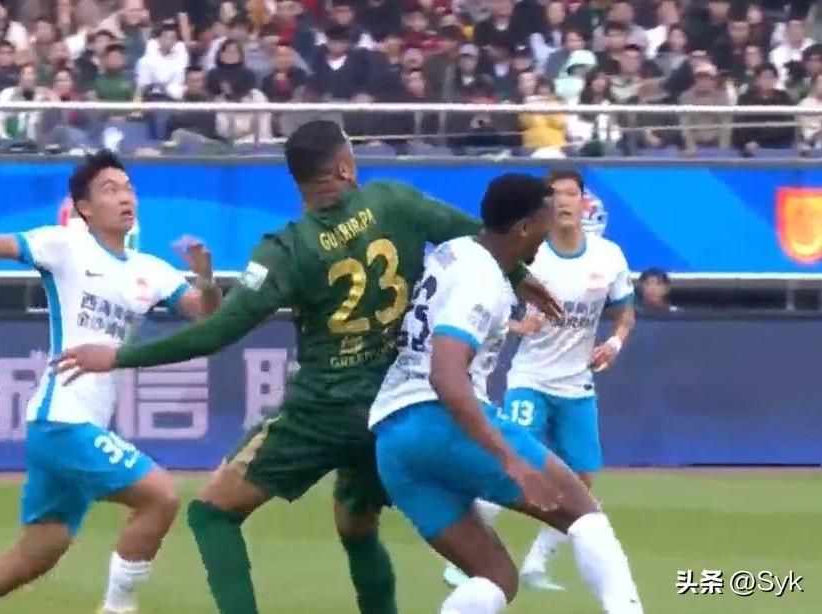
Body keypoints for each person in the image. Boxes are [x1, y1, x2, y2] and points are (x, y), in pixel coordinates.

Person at [52, 120, 563, 614]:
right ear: (343, 168)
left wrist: (117, 356)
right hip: (389, 411)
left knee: (212, 513)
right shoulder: (394, 202)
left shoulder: (287, 248)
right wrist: (519, 274)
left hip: (321, 410)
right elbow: (480, 238)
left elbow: (219, 331)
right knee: (357, 528)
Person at [0, 150, 222, 614]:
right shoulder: (65, 246)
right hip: (63, 421)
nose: (125, 197)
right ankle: (118, 609)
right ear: (84, 208)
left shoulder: (151, 270)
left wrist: (207, 280)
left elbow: (207, 317)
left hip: (75, 425)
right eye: (110, 189)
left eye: (128, 188)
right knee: (160, 497)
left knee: (39, 551)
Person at [371, 173, 643, 614]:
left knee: (496, 578)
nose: (548, 233)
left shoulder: (455, 250)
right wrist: (510, 459)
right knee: (584, 514)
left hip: (394, 442)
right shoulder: (483, 281)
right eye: (544, 223)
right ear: (523, 227)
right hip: (439, 419)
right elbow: (446, 375)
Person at [443, 170, 636, 592]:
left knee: (582, 481)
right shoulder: (530, 255)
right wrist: (517, 326)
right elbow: (487, 310)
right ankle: (465, 558)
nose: (564, 201)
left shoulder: (608, 257)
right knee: (511, 465)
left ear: (585, 202)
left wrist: (615, 343)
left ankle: (535, 564)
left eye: (571, 193)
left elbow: (625, 312)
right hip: (529, 378)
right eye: (556, 194)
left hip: (577, 385)